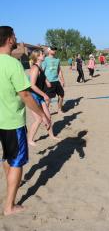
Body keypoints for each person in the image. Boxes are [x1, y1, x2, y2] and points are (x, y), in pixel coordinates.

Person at [0, 26, 50, 216]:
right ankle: (9, 207)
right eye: (14, 36)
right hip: (12, 122)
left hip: (1, 120)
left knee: (7, 156)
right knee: (17, 161)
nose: (16, 38)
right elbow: (26, 95)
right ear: (9, 39)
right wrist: (43, 115)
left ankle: (10, 185)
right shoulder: (13, 64)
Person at [28, 50, 59, 146]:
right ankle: (30, 139)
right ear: (37, 57)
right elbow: (32, 85)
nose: (43, 55)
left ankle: (51, 136)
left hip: (39, 96)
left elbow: (43, 76)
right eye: (42, 54)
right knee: (38, 119)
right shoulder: (35, 68)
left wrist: (47, 81)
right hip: (33, 97)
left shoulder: (40, 67)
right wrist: (44, 95)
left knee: (48, 117)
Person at [42, 46, 65, 113]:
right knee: (48, 99)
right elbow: (42, 71)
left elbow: (59, 70)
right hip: (49, 82)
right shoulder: (45, 59)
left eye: (55, 49)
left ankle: (59, 109)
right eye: (53, 49)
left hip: (56, 81)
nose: (54, 50)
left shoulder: (57, 60)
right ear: (49, 51)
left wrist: (62, 80)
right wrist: (46, 81)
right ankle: (45, 113)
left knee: (61, 95)